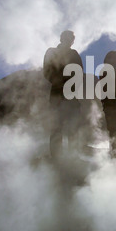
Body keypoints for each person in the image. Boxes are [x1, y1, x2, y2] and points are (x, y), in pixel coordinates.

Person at [43, 30, 83, 159]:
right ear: (61, 38)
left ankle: (72, 159)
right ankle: (56, 159)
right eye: (66, 37)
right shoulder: (51, 52)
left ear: (72, 41)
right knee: (56, 127)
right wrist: (60, 81)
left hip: (71, 94)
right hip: (56, 94)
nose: (68, 40)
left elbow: (79, 73)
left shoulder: (74, 54)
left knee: (72, 127)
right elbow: (47, 71)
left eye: (71, 38)